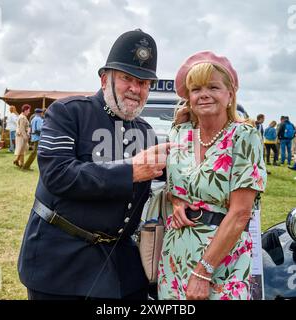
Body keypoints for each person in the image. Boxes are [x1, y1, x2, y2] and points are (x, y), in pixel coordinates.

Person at [18, 29, 170, 300]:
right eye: (127, 78)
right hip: (60, 264)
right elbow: (58, 175)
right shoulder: (67, 112)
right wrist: (131, 171)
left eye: (145, 82)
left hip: (120, 265)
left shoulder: (146, 132)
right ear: (104, 79)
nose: (136, 88)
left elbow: (165, 180)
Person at [157, 51, 267, 300]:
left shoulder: (244, 136)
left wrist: (203, 273)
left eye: (213, 87)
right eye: (196, 89)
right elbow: (174, 186)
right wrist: (176, 201)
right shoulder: (179, 134)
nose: (203, 94)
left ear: (229, 96)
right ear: (189, 98)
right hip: (175, 255)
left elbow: (240, 213)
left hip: (223, 259)